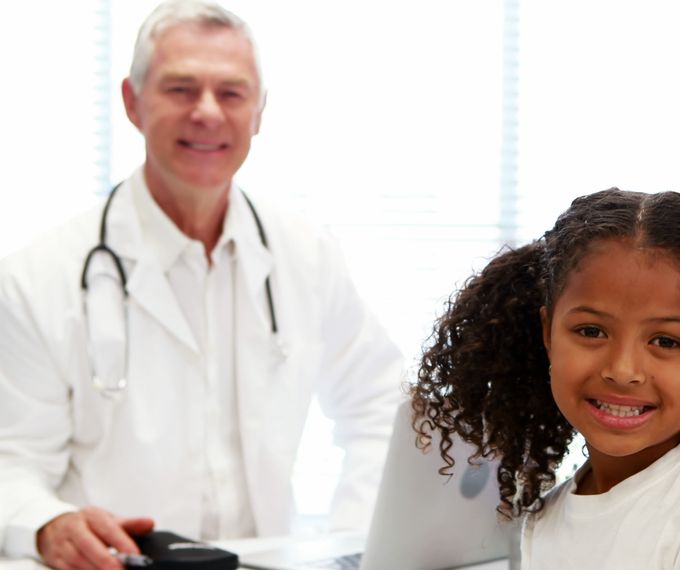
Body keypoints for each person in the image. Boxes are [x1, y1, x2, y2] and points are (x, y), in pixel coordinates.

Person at [0, 1, 405, 567]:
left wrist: (356, 540)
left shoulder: (304, 255)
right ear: (132, 102)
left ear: (260, 111)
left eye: (232, 93)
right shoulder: (37, 277)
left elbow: (382, 405)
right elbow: (11, 460)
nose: (207, 113)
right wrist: (48, 524)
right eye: (181, 89)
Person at [412, 189, 680, 568]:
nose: (622, 370)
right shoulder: (544, 518)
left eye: (666, 341)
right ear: (548, 333)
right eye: (591, 331)